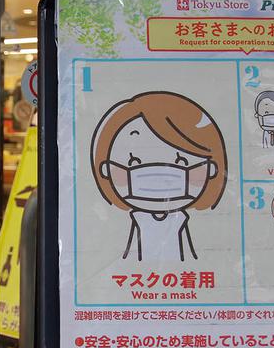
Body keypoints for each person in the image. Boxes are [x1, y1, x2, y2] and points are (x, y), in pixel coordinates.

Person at [90, 92, 228, 262]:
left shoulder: (182, 221)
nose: (157, 178)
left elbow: (191, 258)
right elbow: (127, 258)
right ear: (106, 169)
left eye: (182, 162)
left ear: (212, 169)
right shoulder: (138, 219)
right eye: (133, 163)